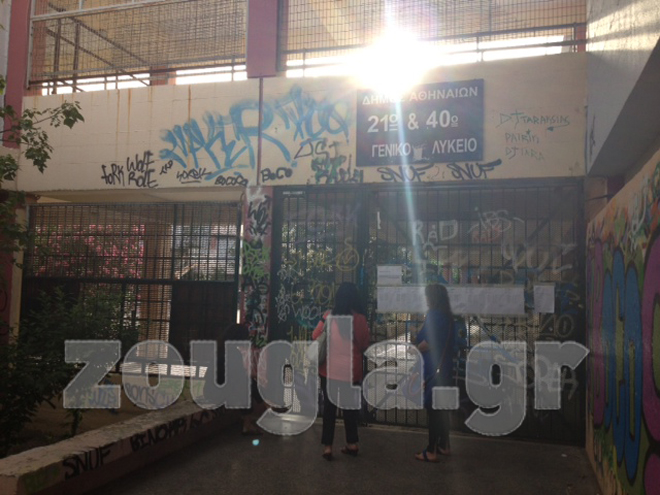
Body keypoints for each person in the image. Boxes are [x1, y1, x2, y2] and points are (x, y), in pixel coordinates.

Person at [312, 282, 370, 461]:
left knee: (329, 410)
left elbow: (315, 336)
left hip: (329, 371)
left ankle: (328, 447)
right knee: (349, 409)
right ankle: (352, 443)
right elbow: (364, 344)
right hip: (350, 372)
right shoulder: (360, 319)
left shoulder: (328, 316)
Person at [413, 283, 456, 463]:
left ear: (432, 298)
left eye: (427, 296)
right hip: (445, 367)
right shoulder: (449, 317)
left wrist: (416, 346)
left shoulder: (434, 316)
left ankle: (431, 451)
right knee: (442, 408)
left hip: (433, 368)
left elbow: (426, 343)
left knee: (433, 410)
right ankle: (444, 445)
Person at [203, 322, 268, 436]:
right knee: (246, 385)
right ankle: (262, 412)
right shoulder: (230, 353)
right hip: (215, 393)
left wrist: (254, 377)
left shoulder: (223, 349)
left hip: (212, 390)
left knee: (247, 383)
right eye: (245, 337)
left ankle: (261, 412)